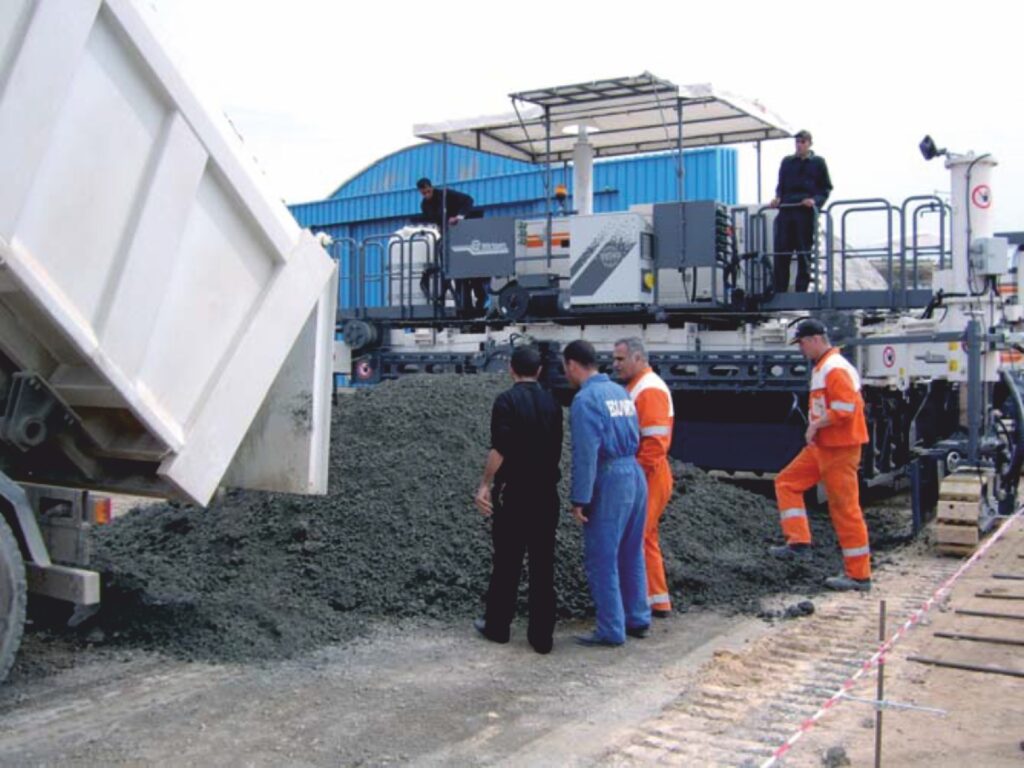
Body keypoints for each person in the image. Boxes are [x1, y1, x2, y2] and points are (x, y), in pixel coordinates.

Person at [770, 318, 872, 591]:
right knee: (786, 482)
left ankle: (859, 575)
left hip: (839, 448)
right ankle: (798, 542)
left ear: (815, 339)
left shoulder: (834, 368)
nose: (801, 349)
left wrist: (816, 424)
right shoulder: (825, 367)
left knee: (845, 510)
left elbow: (845, 409)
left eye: (802, 343)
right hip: (823, 446)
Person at [473, 345, 563, 654]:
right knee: (543, 564)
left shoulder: (506, 401)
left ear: (511, 369)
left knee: (507, 562)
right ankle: (542, 637)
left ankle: (498, 627)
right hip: (546, 494)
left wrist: (485, 484)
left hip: (514, 493)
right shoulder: (553, 403)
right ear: (539, 371)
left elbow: (500, 448)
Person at [563, 340, 651, 646]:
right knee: (631, 550)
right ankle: (637, 617)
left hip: (610, 476)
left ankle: (611, 629)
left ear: (572, 365)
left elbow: (586, 453)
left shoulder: (585, 400)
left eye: (566, 368)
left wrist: (580, 499)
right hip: (634, 474)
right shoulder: (620, 391)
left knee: (602, 555)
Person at [612, 338, 675, 618]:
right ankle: (656, 600)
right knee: (644, 536)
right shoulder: (639, 387)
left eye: (620, 359)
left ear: (638, 358)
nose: (615, 365)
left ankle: (643, 603)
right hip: (646, 472)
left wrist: (632, 475)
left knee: (636, 536)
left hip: (649, 474)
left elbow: (655, 444)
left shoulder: (648, 390)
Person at [769, 130, 832, 293]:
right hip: (786, 212)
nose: (799, 145)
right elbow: (780, 186)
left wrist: (815, 201)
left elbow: (825, 188)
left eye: (803, 142)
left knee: (804, 253)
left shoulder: (818, 163)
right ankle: (779, 290)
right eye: (797, 142)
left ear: (810, 143)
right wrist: (777, 198)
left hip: (804, 213)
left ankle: (801, 291)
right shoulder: (787, 162)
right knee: (782, 253)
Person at [414, 177, 486, 314]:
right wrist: (440, 226)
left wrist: (458, 217)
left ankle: (480, 298)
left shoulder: (446, 195)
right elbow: (434, 219)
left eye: (428, 191)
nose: (427, 194)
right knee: (455, 273)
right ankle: (464, 307)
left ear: (431, 187)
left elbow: (468, 200)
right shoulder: (425, 205)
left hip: (465, 234)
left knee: (472, 271)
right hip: (450, 238)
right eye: (424, 193)